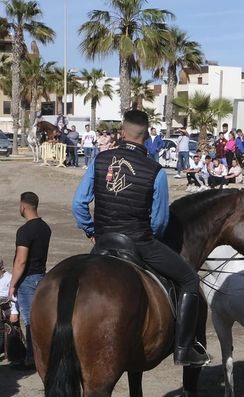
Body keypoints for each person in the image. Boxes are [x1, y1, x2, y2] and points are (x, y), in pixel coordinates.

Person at [72, 109, 209, 366]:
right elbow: (159, 221)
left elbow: (79, 203)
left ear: (123, 133)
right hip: (139, 242)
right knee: (190, 279)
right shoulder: (156, 171)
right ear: (146, 137)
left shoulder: (100, 160)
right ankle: (184, 350)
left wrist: (92, 231)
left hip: (104, 241)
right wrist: (149, 237)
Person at [8, 191, 51, 367]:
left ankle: (32, 358)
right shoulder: (45, 228)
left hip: (27, 279)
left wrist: (12, 285)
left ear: (23, 206)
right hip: (42, 276)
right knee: (43, 318)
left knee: (30, 321)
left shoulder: (24, 231)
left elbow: (21, 260)